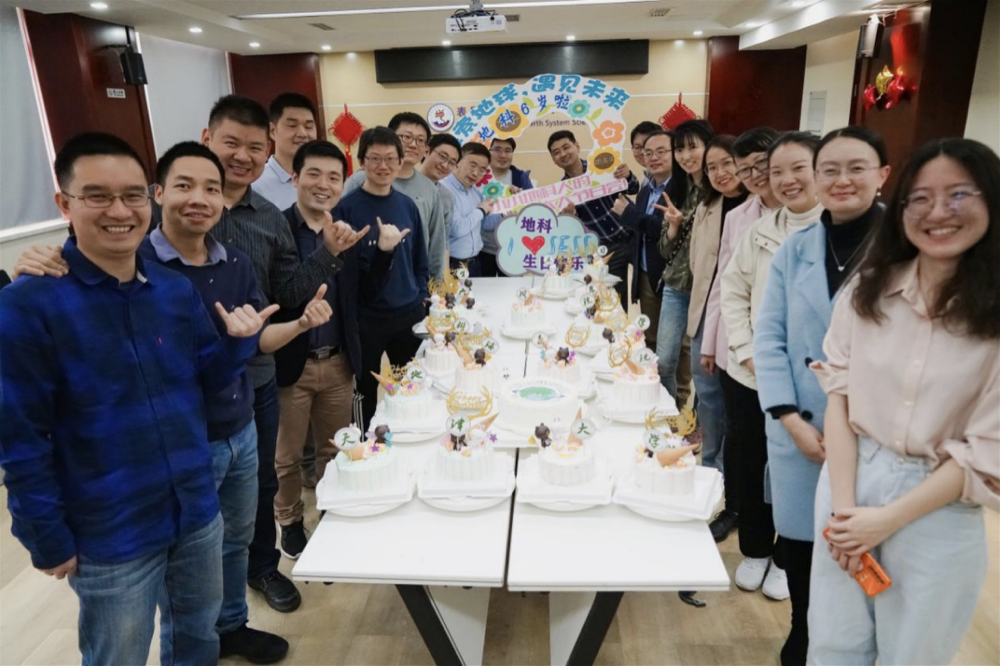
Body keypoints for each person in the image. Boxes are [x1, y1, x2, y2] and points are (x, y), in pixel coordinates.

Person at [8, 96, 368, 615]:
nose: (200, 198)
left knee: (248, 500)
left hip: (245, 390)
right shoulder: (138, 248)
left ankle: (251, 584)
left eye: (254, 148)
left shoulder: (256, 230)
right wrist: (46, 256)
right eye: (230, 144)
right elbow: (24, 432)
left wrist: (323, 263)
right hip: (154, 445)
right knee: (180, 555)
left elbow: (280, 297)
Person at [0, 132, 263, 665]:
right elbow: (20, 437)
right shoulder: (29, 304)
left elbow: (207, 379)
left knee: (198, 638)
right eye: (97, 196)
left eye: (131, 196)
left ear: (149, 198)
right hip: (110, 527)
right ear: (64, 204)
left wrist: (240, 342)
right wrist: (44, 532)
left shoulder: (172, 290)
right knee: (117, 655)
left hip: (195, 508)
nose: (119, 211)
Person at [145, 141, 342, 662]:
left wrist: (299, 324)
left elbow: (256, 338)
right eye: (184, 186)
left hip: (239, 424)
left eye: (211, 189)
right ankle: (190, 652)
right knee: (188, 558)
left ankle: (231, 626)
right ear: (158, 193)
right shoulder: (136, 266)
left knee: (235, 538)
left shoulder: (231, 261)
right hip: (181, 440)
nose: (200, 198)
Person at [808, 138, 999, 666]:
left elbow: (986, 450)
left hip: (937, 502)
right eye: (920, 198)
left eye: (959, 194)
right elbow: (839, 401)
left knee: (913, 652)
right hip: (850, 476)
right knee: (832, 643)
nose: (938, 212)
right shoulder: (868, 290)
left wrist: (885, 520)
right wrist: (845, 510)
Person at [753, 127, 890, 666]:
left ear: (883, 175)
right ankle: (802, 632)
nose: (841, 179)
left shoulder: (905, 247)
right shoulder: (796, 248)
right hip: (801, 430)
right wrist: (789, 419)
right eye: (830, 169)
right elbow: (769, 336)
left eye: (856, 168)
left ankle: (857, 646)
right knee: (799, 544)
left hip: (872, 434)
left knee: (861, 547)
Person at [272, 140, 403, 559]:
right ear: (295, 177)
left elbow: (364, 292)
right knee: (287, 457)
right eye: (313, 174)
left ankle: (331, 512)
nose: (323, 184)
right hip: (290, 362)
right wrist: (328, 252)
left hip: (338, 360)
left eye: (334, 177)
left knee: (335, 447)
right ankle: (290, 521)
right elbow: (286, 294)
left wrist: (384, 254)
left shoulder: (345, 229)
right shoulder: (277, 229)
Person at [721, 131, 824, 602]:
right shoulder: (759, 230)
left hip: (811, 383)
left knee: (798, 472)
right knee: (750, 464)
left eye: (797, 168)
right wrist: (746, 352)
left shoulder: (837, 229)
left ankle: (787, 557)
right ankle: (756, 549)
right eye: (776, 171)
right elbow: (733, 292)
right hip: (752, 374)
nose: (785, 179)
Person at [703, 126, 780, 543]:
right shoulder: (738, 217)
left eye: (761, 164)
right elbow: (725, 285)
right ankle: (737, 511)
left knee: (780, 446)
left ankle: (783, 532)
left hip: (789, 358)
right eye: (745, 168)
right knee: (740, 438)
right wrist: (712, 343)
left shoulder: (814, 217)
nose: (755, 175)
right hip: (740, 350)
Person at [335, 127, 429, 426]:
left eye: (390, 158)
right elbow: (344, 273)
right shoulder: (345, 209)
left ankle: (408, 437)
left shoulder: (407, 206)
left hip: (408, 314)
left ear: (401, 162)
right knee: (364, 390)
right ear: (362, 161)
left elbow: (420, 259)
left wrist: (421, 295)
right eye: (374, 158)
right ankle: (365, 444)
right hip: (366, 321)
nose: (383, 166)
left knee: (410, 388)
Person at [686, 136, 747, 481]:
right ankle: (711, 465)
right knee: (707, 394)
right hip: (706, 312)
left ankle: (729, 467)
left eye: (727, 163)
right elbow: (696, 262)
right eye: (712, 167)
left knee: (733, 398)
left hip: (740, 320)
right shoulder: (706, 208)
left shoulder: (758, 209)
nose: (720, 172)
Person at [343, 112, 448, 279]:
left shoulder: (429, 188)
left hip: (410, 280)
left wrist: (435, 283)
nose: (413, 144)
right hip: (363, 278)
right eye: (406, 137)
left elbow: (436, 240)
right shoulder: (360, 180)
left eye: (420, 140)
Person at [656, 119, 715, 406]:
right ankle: (669, 415)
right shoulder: (677, 190)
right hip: (676, 287)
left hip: (708, 292)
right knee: (664, 361)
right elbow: (664, 250)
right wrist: (673, 227)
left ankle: (699, 420)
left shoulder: (719, 190)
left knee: (703, 367)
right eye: (679, 150)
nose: (685, 156)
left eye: (693, 147)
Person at [547, 129, 639, 303]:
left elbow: (634, 188)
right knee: (614, 301)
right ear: (553, 159)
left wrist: (627, 176)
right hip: (606, 250)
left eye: (566, 147)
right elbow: (576, 232)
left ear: (577, 146)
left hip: (634, 237)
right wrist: (572, 218)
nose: (563, 154)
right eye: (556, 152)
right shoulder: (562, 192)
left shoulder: (602, 167)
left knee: (649, 287)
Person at [614, 129, 672, 349]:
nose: (654, 158)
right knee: (651, 337)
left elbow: (667, 231)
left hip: (671, 278)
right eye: (648, 153)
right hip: (647, 274)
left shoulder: (681, 190)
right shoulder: (645, 192)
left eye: (661, 151)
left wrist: (629, 213)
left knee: (674, 345)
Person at [442, 141, 500, 275]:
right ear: (458, 161)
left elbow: (484, 224)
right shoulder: (444, 189)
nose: (475, 173)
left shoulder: (475, 193)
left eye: (482, 170)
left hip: (475, 263)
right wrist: (480, 210)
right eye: (472, 165)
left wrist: (505, 211)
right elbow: (456, 229)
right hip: (452, 264)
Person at [254, 92, 320, 211]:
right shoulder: (256, 184)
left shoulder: (324, 180)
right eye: (292, 125)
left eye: (309, 127)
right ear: (273, 131)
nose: (302, 134)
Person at [482, 137, 533, 276]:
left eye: (508, 150)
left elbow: (532, 211)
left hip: (513, 249)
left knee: (513, 288)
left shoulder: (521, 178)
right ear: (489, 151)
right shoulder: (479, 177)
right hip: (482, 250)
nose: (503, 155)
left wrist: (521, 202)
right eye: (497, 149)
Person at [420, 132, 461, 245]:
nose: (445, 165)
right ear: (427, 151)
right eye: (442, 157)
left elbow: (443, 240)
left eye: (452, 163)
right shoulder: (401, 185)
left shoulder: (447, 197)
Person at [630, 120, 663, 188]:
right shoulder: (646, 179)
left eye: (647, 146)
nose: (642, 152)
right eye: (637, 147)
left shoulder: (676, 178)